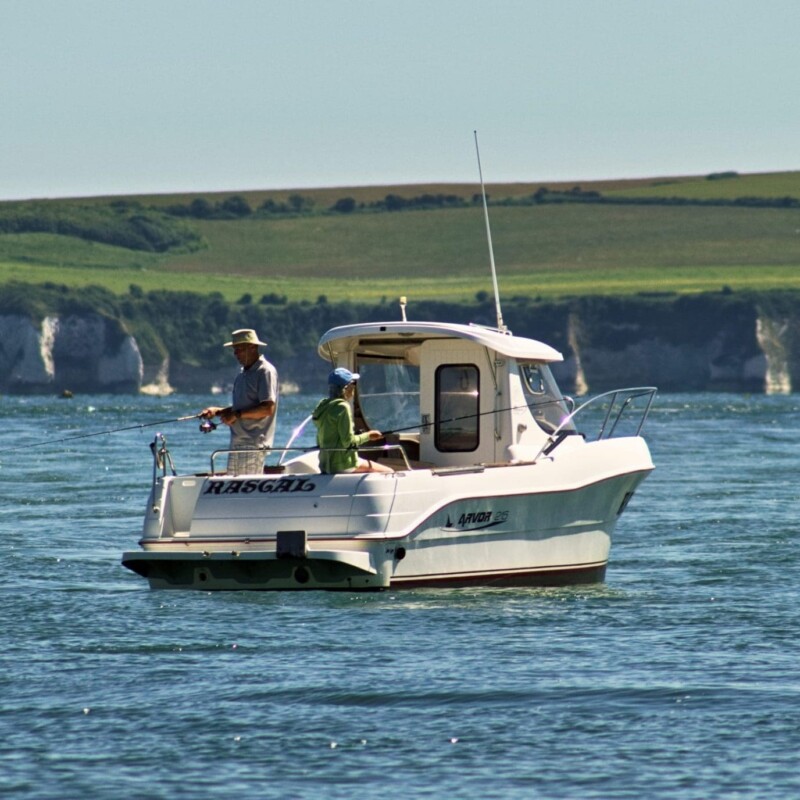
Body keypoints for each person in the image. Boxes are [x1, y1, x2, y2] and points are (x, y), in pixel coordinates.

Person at [200, 328, 278, 475]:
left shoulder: (265, 371)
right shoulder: (243, 374)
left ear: (253, 347)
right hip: (238, 442)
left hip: (253, 443)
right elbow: (243, 407)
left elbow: (267, 408)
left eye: (239, 349)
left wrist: (236, 415)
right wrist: (218, 411)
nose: (236, 354)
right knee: (235, 489)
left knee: (247, 491)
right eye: (235, 350)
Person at [312, 367, 393, 474]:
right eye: (353, 384)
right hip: (343, 464)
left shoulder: (322, 406)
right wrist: (369, 435)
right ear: (346, 388)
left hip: (325, 466)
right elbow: (348, 442)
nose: (354, 387)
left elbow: (319, 440)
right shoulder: (342, 407)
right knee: (390, 471)